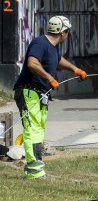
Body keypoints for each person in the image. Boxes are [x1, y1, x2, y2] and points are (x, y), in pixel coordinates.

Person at [13, 15, 87, 179]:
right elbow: (32, 63)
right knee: (32, 129)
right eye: (67, 32)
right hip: (28, 91)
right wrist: (50, 78)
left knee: (38, 128)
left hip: (40, 94)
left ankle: (37, 164)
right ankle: (33, 169)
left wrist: (76, 70)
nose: (67, 35)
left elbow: (58, 60)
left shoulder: (52, 47)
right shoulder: (40, 43)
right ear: (63, 32)